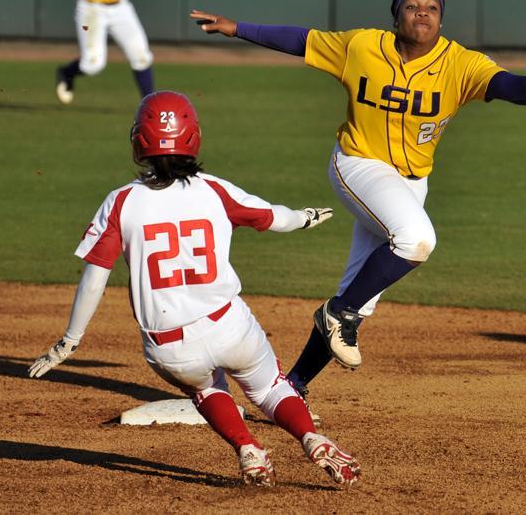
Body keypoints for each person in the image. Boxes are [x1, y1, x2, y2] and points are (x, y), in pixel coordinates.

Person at [190, 0, 526, 413]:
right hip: (358, 164)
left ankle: (293, 383)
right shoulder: (362, 47)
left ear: (441, 20)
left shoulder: (460, 64)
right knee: (416, 240)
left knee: (363, 292)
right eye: (413, 6)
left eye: (432, 8)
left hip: (413, 182)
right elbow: (303, 40)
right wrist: (237, 28)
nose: (423, 13)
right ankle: (338, 312)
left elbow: (509, 85)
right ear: (396, 16)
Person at [27, 91, 361, 488]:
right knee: (271, 388)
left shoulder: (120, 203)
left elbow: (95, 274)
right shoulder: (212, 190)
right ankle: (311, 437)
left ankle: (248, 450)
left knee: (205, 389)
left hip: (169, 347)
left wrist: (70, 340)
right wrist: (304, 218)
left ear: (138, 141)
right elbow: (274, 218)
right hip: (228, 325)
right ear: (194, 137)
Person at [55, 0, 179, 104]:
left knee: (141, 57)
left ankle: (149, 104)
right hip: (91, 8)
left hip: (121, 7)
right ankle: (66, 72)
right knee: (92, 65)